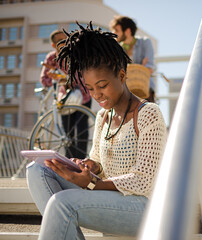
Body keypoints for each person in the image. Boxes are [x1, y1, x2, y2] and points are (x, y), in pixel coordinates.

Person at [26, 22, 167, 239]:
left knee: (62, 203)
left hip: (144, 207)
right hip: (108, 196)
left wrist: (93, 183)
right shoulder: (103, 116)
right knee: (37, 171)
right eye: (91, 88)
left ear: (121, 76)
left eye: (102, 86)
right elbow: (98, 162)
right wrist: (89, 166)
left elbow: (145, 181)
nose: (97, 95)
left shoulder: (148, 113)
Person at [40, 29, 92, 159]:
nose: (65, 42)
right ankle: (70, 162)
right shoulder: (51, 58)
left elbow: (82, 75)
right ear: (53, 45)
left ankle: (81, 163)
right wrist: (58, 78)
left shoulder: (78, 54)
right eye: (60, 41)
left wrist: (63, 77)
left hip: (84, 96)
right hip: (64, 99)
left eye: (67, 39)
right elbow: (44, 79)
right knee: (66, 133)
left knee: (82, 131)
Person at [110, 16, 156, 102]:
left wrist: (126, 69)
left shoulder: (145, 42)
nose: (113, 33)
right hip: (125, 92)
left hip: (145, 90)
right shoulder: (117, 48)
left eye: (116, 30)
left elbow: (149, 68)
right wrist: (141, 67)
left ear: (127, 31)